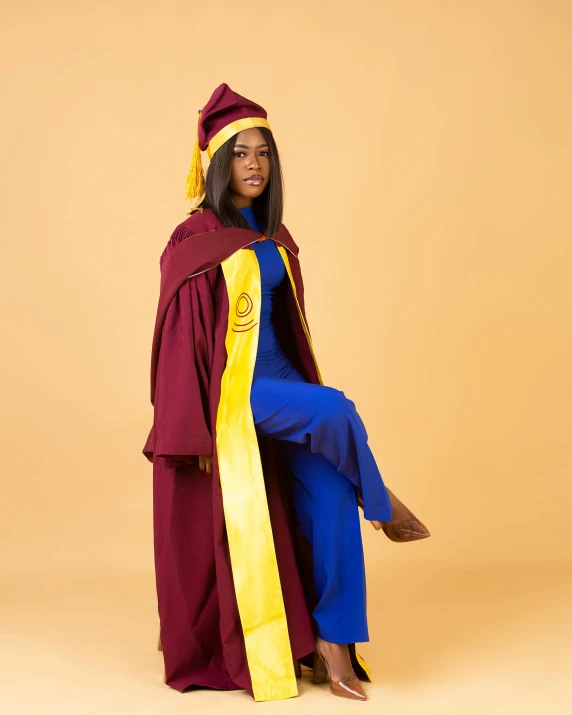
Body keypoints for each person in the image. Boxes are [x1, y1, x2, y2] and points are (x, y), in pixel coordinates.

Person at [143, 82, 430, 703]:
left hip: (285, 389)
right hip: (232, 396)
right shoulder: (195, 241)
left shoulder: (276, 236)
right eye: (241, 154)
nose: (253, 165)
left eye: (264, 153)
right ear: (219, 165)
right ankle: (382, 502)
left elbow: (286, 329)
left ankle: (335, 648)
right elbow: (177, 344)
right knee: (338, 407)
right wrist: (185, 426)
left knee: (330, 504)